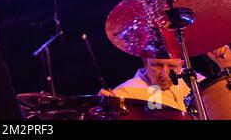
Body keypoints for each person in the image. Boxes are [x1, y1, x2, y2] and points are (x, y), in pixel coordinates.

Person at [99, 45, 231, 112]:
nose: (164, 74)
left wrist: (226, 66)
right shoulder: (125, 94)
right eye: (157, 65)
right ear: (145, 62)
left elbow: (223, 104)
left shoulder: (191, 78)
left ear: (181, 65)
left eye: (172, 67)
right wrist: (102, 110)